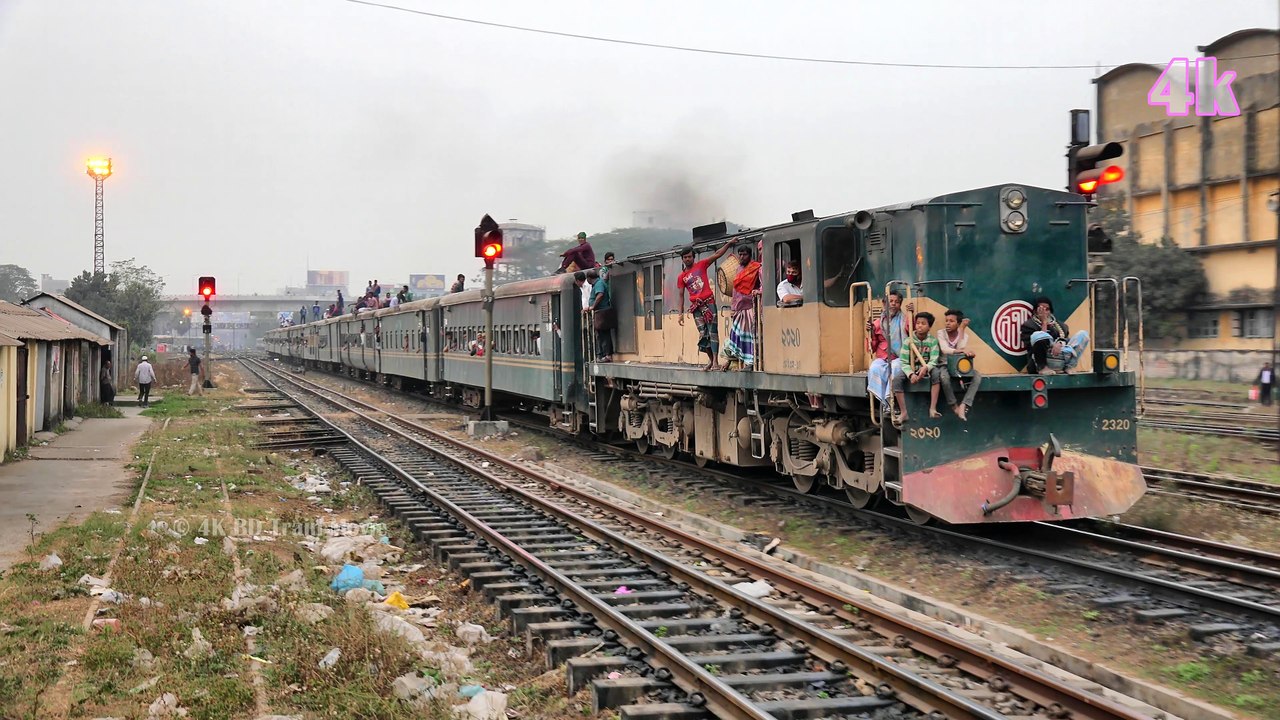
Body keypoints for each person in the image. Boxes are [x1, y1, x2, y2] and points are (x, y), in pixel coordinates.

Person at [677, 240, 736, 371]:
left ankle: (715, 361)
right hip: (696, 308)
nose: (687, 259)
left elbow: (717, 254)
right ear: (682, 259)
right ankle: (710, 360)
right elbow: (681, 295)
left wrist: (729, 244)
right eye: (685, 257)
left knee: (713, 332)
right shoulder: (681, 277)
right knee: (703, 334)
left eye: (689, 257)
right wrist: (680, 314)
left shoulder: (702, 265)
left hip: (709, 303)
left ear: (693, 257)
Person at [892, 312, 942, 424]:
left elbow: (934, 360)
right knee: (896, 380)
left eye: (923, 323)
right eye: (918, 323)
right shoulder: (908, 341)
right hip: (911, 368)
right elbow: (904, 362)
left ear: (929, 327)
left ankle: (933, 408)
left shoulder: (933, 341)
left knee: (936, 374)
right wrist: (911, 374)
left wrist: (926, 368)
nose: (919, 325)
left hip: (926, 368)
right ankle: (904, 412)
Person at [1020, 296, 1089, 374]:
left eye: (1047, 309)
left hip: (1061, 357)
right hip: (1042, 361)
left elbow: (1066, 339)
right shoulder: (1028, 325)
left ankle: (1069, 366)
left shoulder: (1062, 326)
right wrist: (1044, 323)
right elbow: (1034, 345)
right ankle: (1043, 368)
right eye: (1041, 309)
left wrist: (1060, 343)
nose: (1044, 312)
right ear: (1036, 311)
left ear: (1051, 311)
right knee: (1038, 335)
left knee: (1083, 334)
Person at [936, 309, 982, 421]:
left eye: (951, 321)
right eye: (946, 321)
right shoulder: (941, 333)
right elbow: (945, 349)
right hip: (944, 364)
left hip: (958, 366)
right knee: (944, 378)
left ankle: (964, 405)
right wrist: (962, 351)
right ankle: (954, 406)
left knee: (977, 376)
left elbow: (961, 348)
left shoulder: (964, 336)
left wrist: (962, 330)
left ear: (958, 323)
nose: (947, 323)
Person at [722, 244, 762, 370]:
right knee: (736, 335)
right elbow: (735, 291)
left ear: (750, 255)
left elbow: (761, 285)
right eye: (740, 254)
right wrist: (733, 308)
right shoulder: (738, 269)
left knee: (750, 336)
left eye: (744, 254)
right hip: (739, 309)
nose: (742, 257)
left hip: (750, 307)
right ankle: (735, 361)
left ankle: (750, 363)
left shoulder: (756, 268)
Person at [867, 290, 907, 405]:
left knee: (895, 367)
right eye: (891, 301)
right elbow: (872, 347)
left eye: (897, 302)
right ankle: (884, 403)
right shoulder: (877, 323)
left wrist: (911, 312)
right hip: (883, 357)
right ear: (884, 304)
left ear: (900, 305)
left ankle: (890, 398)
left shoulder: (904, 320)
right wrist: (871, 333)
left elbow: (910, 329)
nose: (893, 304)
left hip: (899, 357)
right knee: (874, 368)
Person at [587, 268, 614, 362]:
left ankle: (607, 355)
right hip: (600, 312)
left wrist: (593, 306)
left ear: (589, 278)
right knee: (601, 334)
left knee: (604, 334)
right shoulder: (598, 283)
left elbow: (600, 295)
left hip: (603, 312)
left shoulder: (599, 284)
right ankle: (604, 355)